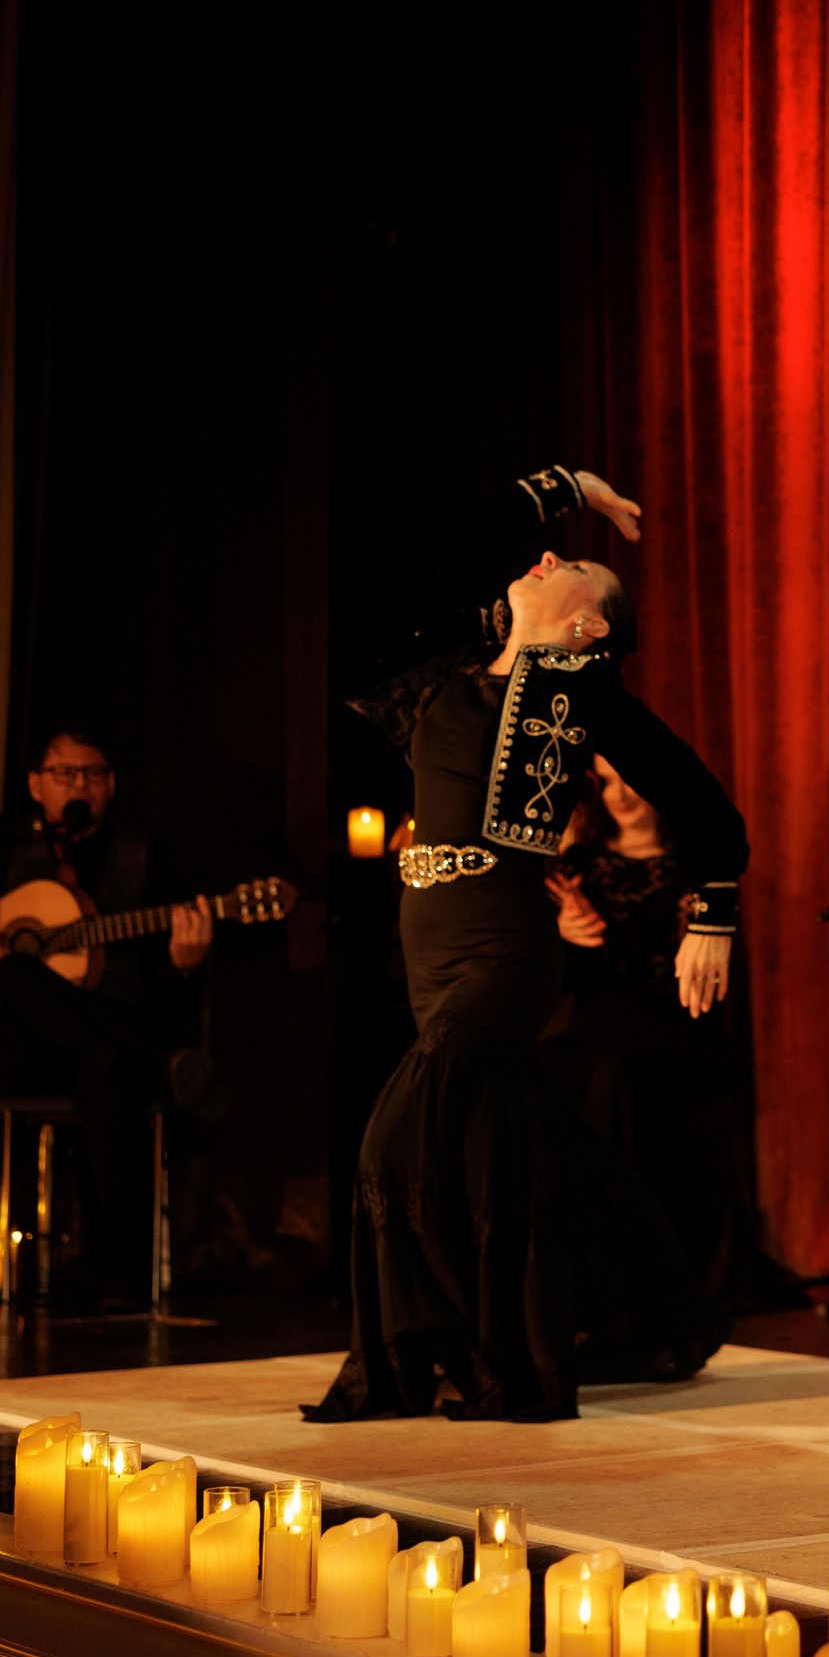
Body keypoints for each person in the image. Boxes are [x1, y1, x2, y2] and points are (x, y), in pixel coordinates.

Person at [308, 466, 745, 1424]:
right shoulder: (458, 660)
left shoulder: (586, 694)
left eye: (572, 567)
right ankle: (576, 1326)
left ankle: (414, 1354)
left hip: (502, 952)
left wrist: (710, 917)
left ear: (587, 625)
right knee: (508, 1147)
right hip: (428, 949)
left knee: (395, 1141)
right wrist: (572, 487)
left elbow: (706, 806)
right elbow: (464, 531)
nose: (545, 557)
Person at [0, 727, 214, 1305]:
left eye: (93, 774)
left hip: (106, 1053)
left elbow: (163, 989)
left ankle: (123, 1288)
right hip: (28, 1054)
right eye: (64, 774)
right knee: (15, 973)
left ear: (111, 786)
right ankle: (163, 1063)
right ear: (35, 785)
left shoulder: (147, 858)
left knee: (109, 1075)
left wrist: (183, 963)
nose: (80, 785)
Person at [542, 756, 760, 1306]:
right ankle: (564, 1276)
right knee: (545, 1066)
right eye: (607, 783)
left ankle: (629, 1273)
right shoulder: (577, 865)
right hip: (592, 1019)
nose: (619, 796)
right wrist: (563, 928)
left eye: (630, 780)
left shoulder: (697, 867)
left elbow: (690, 978)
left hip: (671, 1019)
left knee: (616, 1070)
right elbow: (561, 977)